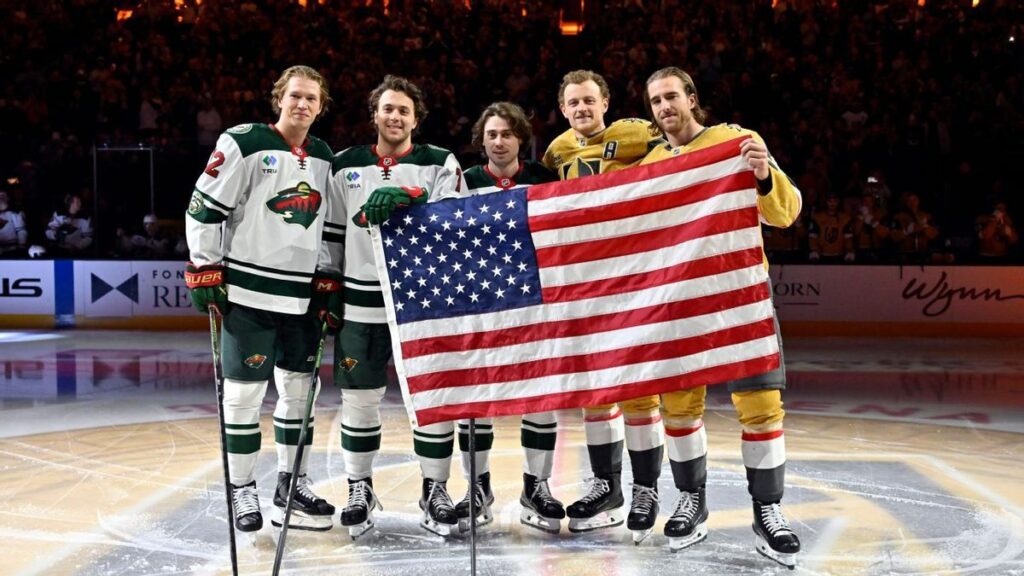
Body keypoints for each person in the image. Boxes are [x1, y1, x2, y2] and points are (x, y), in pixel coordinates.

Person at [641, 66, 802, 568]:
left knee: (760, 407)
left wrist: (761, 173)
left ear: (691, 98)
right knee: (679, 411)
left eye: (672, 96)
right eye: (655, 101)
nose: (664, 107)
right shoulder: (649, 163)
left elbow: (787, 211)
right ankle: (693, 499)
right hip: (680, 306)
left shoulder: (737, 141)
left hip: (739, 297)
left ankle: (768, 511)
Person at [183, 65, 339, 536]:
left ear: (320, 105)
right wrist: (205, 265)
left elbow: (330, 225)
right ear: (279, 99)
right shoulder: (244, 141)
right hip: (248, 294)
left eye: (312, 98)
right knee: (244, 397)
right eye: (295, 96)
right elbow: (205, 205)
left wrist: (330, 277)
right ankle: (242, 487)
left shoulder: (323, 154)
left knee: (299, 397)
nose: (303, 105)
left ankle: (293, 484)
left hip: (301, 299)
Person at [324, 75, 467, 539]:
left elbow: (457, 225)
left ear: (415, 118)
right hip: (360, 299)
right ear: (375, 114)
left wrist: (415, 199)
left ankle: (434, 488)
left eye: (403, 110)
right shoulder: (345, 165)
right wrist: (327, 286)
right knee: (360, 400)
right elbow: (328, 232)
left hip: (421, 300)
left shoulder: (439, 162)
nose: (395, 117)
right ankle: (359, 488)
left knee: (431, 398)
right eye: (388, 109)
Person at [542, 69, 667, 540]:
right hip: (585, 283)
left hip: (633, 278)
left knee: (637, 389)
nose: (581, 110)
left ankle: (646, 488)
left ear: (606, 102)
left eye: (589, 101)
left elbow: (679, 149)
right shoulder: (557, 150)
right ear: (563, 108)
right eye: (573, 103)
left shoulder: (637, 132)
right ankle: (606, 487)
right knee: (596, 391)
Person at [459, 101, 564, 533]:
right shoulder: (462, 182)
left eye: (506, 134)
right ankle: (477, 486)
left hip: (534, 302)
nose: (498, 142)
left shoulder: (544, 179)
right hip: (480, 305)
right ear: (481, 140)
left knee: (541, 397)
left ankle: (535, 486)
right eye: (491, 135)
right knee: (478, 401)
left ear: (521, 137)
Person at [808, 193, 855, 263]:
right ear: (826, 202)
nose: (832, 204)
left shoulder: (845, 218)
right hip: (822, 255)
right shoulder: (817, 217)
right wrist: (814, 250)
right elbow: (812, 237)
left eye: (835, 201)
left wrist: (849, 250)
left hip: (840, 255)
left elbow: (848, 238)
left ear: (838, 202)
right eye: (830, 201)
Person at [0, 190, 28, 257]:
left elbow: (21, 231)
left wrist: (21, 245)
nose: (0, 198)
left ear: (8, 198)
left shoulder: (15, 213)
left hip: (12, 249)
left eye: (2, 196)